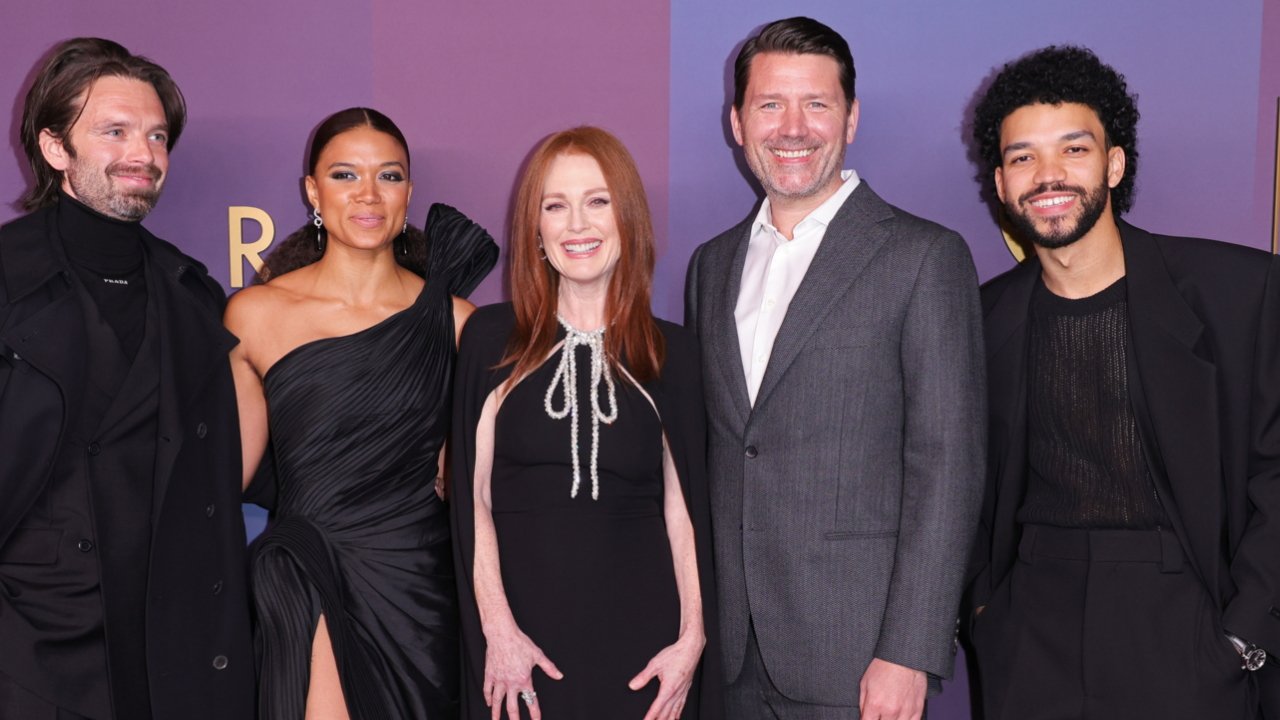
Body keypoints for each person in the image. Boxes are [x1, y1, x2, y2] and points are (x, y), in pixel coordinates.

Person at [684, 17, 986, 720]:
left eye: (816, 104)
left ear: (850, 118)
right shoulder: (713, 265)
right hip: (730, 658)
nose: (793, 128)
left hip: (858, 659)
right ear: (737, 122)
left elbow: (949, 465)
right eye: (770, 105)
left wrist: (910, 651)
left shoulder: (923, 258)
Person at [965, 45, 1280, 719]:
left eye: (1073, 150)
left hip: (1186, 625)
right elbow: (951, 480)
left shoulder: (1239, 293)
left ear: (1113, 163)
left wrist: (1244, 634)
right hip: (1029, 631)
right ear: (1000, 182)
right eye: (1023, 157)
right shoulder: (978, 319)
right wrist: (987, 613)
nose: (1048, 175)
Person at [0, 38, 254, 719]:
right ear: (56, 149)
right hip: (26, 646)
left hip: (162, 648)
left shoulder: (192, 294)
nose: (142, 154)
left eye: (156, 135)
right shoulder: (4, 278)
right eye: (113, 131)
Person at [225, 107, 498, 719]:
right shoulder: (254, 315)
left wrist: (464, 448)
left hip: (425, 597)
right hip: (311, 570)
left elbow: (492, 475)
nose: (369, 194)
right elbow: (225, 480)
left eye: (390, 176)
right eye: (345, 175)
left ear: (409, 191)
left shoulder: (459, 323)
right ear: (312, 191)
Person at [450, 126, 722, 720]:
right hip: (521, 645)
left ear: (627, 220)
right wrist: (497, 631)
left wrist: (691, 640)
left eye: (597, 201)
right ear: (536, 231)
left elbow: (684, 513)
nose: (577, 224)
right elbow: (471, 500)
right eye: (556, 205)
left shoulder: (671, 353)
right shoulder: (490, 339)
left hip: (645, 649)